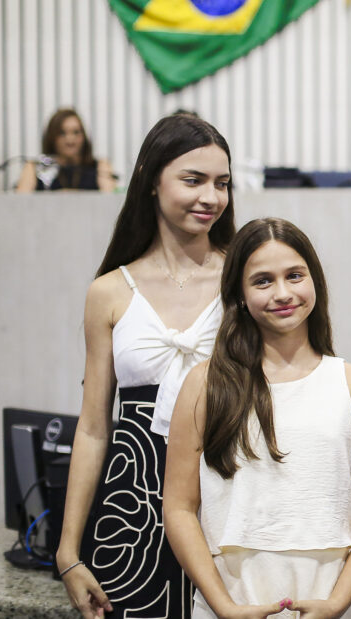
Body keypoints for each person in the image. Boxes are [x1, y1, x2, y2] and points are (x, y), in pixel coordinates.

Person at [164, 218, 351, 618]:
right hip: (231, 603)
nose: (283, 293)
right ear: (238, 293)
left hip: (335, 602)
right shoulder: (204, 385)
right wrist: (223, 606)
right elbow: (179, 508)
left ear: (315, 283)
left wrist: (336, 603)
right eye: (263, 281)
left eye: (294, 276)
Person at [55, 114, 235, 619]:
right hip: (131, 513)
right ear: (152, 181)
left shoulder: (243, 278)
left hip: (226, 502)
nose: (211, 197)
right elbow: (93, 428)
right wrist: (69, 551)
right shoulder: (109, 292)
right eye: (193, 180)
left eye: (221, 183)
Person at [16, 108, 116, 192]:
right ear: (52, 137)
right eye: (62, 133)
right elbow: (20, 204)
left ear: (84, 136)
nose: (70, 140)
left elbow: (110, 201)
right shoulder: (34, 167)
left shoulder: (99, 167)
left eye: (76, 132)